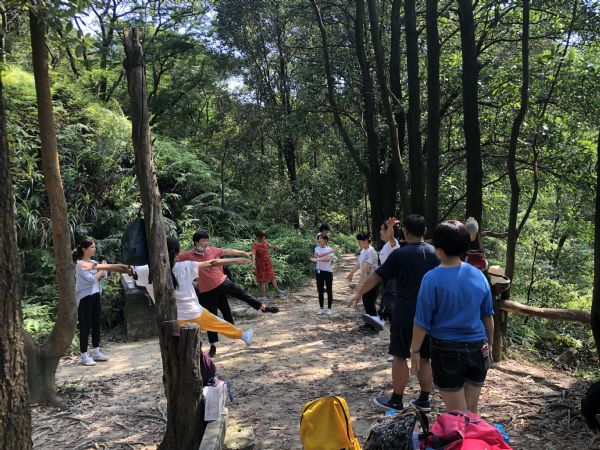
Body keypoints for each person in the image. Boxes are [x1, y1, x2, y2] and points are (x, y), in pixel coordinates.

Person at [351, 215, 439, 411]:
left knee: (399, 356)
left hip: (404, 312)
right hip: (429, 314)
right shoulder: (436, 253)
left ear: (405, 232)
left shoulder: (400, 254)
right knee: (425, 357)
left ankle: (397, 400)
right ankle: (424, 400)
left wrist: (359, 293)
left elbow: (377, 276)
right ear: (425, 231)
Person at [410, 221, 494, 414]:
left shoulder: (431, 278)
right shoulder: (478, 275)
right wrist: (489, 344)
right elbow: (487, 316)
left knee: (458, 415)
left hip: (447, 350)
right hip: (478, 348)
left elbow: (422, 321)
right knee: (471, 409)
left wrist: (415, 351)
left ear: (438, 249)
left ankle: (465, 434)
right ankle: (475, 433)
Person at [131, 237, 254, 347]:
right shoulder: (185, 267)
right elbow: (212, 263)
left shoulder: (145, 270)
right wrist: (237, 260)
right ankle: (243, 336)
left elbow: (126, 269)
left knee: (179, 346)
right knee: (219, 324)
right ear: (177, 253)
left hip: (169, 318)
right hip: (193, 312)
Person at [178, 230, 278, 358]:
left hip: (222, 281)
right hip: (206, 290)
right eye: (203, 241)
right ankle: (213, 345)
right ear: (196, 242)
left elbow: (228, 251)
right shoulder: (188, 255)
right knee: (211, 317)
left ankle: (262, 307)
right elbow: (174, 258)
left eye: (207, 240)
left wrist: (242, 252)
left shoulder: (213, 250)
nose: (206, 243)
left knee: (242, 294)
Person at [73, 239, 132, 366]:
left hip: (96, 295)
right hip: (84, 298)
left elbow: (102, 277)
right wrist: (101, 270)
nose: (94, 249)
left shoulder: (94, 263)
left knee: (96, 324)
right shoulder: (80, 264)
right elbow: (91, 279)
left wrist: (103, 270)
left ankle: (96, 351)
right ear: (84, 249)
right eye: (91, 247)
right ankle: (84, 355)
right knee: (85, 326)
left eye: (94, 247)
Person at [347, 232, 380, 331]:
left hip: (373, 281)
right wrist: (351, 273)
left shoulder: (371, 252)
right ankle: (369, 323)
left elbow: (365, 268)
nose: (359, 243)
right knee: (366, 301)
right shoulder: (363, 251)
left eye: (360, 241)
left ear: (366, 241)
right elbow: (359, 264)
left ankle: (374, 326)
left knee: (370, 302)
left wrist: (359, 283)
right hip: (366, 281)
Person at [252, 229, 286, 301]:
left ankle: (278, 291)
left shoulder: (264, 242)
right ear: (259, 237)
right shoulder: (255, 245)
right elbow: (253, 254)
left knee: (272, 277)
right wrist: (253, 264)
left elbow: (271, 245)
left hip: (267, 263)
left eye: (264, 237)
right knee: (263, 280)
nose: (264, 238)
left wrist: (278, 247)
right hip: (261, 265)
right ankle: (263, 296)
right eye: (263, 237)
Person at [313, 233, 335, 315]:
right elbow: (318, 255)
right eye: (318, 239)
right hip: (319, 271)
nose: (319, 241)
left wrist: (318, 259)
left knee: (329, 290)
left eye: (321, 239)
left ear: (325, 240)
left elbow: (328, 259)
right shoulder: (317, 248)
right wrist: (322, 257)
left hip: (328, 271)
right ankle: (321, 308)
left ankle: (329, 308)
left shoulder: (330, 249)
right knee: (320, 290)